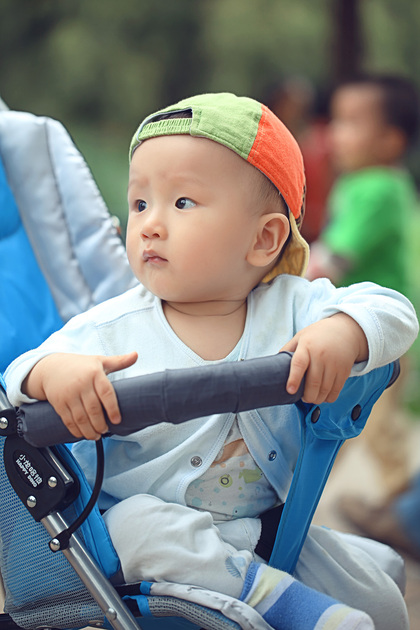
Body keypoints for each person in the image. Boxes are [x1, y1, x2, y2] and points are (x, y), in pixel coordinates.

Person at [4, 93, 419, 630]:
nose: (150, 225)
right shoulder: (110, 327)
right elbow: (18, 376)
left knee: (382, 604)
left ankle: (304, 588)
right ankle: (280, 602)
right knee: (136, 525)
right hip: (153, 537)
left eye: (182, 203)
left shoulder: (293, 306)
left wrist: (343, 332)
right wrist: (53, 374)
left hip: (268, 528)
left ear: (264, 238)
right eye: (139, 204)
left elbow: (393, 310)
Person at [306, 74, 420, 497]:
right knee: (360, 422)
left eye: (351, 123)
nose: (335, 134)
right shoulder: (367, 183)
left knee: (364, 423)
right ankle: (396, 504)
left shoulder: (378, 189)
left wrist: (283, 275)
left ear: (390, 141)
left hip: (380, 335)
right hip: (368, 329)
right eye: (335, 121)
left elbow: (334, 258)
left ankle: (403, 509)